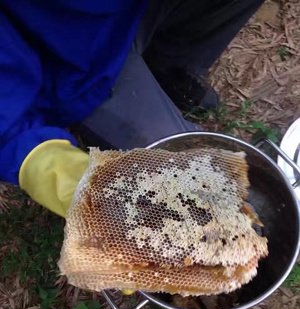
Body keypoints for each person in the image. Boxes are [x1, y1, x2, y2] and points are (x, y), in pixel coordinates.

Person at [0, 0, 265, 218]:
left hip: (129, 14)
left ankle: (169, 71)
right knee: (186, 195)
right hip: (65, 63)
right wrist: (42, 162)